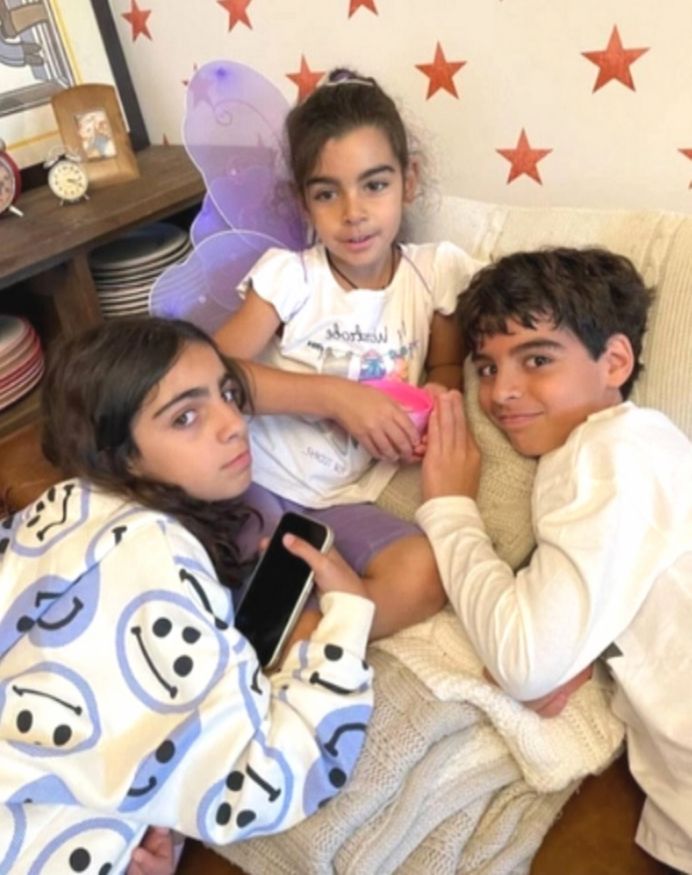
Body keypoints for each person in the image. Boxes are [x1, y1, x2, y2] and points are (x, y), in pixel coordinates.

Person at [0, 317, 375, 873]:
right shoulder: (156, 557)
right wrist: (347, 616)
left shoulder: (57, 511)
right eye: (185, 417)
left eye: (228, 394)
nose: (234, 424)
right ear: (121, 455)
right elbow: (261, 784)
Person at [418, 247, 692, 873]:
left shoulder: (611, 451)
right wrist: (580, 653)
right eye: (486, 368)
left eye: (537, 359)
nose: (500, 392)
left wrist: (449, 509)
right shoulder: (635, 453)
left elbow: (524, 663)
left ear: (614, 362)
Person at [216, 67, 483, 637]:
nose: (353, 212)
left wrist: (433, 404)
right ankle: (279, 629)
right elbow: (213, 376)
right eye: (326, 193)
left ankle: (308, 633)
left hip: (343, 500)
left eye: (374, 185)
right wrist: (337, 397)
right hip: (257, 477)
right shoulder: (291, 277)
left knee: (424, 572)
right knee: (248, 568)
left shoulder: (435, 272)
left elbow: (444, 366)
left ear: (409, 180)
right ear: (302, 203)